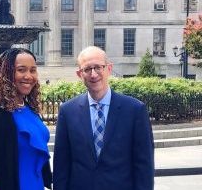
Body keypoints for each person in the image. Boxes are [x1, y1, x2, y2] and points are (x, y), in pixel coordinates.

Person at [53, 46, 154, 190]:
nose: (93, 74)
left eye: (98, 67)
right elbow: (61, 164)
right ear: (79, 74)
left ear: (109, 69)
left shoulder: (134, 110)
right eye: (87, 69)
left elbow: (144, 165)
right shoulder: (67, 111)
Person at [0, 48, 52, 190]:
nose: (28, 76)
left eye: (33, 70)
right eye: (21, 70)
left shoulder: (31, 109)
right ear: (6, 73)